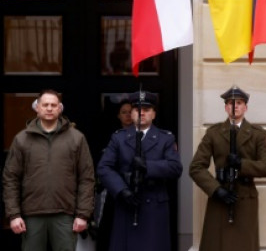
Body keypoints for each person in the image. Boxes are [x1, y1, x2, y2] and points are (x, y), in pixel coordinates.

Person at [2, 89, 96, 251]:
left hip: (65, 214)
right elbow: (11, 178)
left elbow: (86, 178)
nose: (49, 108)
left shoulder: (76, 138)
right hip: (32, 214)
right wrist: (14, 215)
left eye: (53, 105)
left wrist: (83, 214)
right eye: (45, 105)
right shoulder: (22, 139)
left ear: (60, 108)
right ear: (37, 108)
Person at [190, 85, 266, 251]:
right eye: (231, 103)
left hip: (245, 198)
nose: (234, 106)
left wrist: (241, 164)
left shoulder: (257, 134)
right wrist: (216, 190)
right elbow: (196, 167)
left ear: (245, 107)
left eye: (239, 103)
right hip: (220, 196)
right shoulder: (213, 133)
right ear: (225, 107)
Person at [97, 90, 182, 251]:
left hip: (154, 206)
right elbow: (104, 167)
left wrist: (147, 166)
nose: (141, 113)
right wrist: (121, 190)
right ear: (132, 113)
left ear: (154, 114)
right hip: (127, 203)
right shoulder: (119, 138)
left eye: (147, 109)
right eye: (137, 109)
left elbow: (175, 167)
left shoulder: (165, 138)